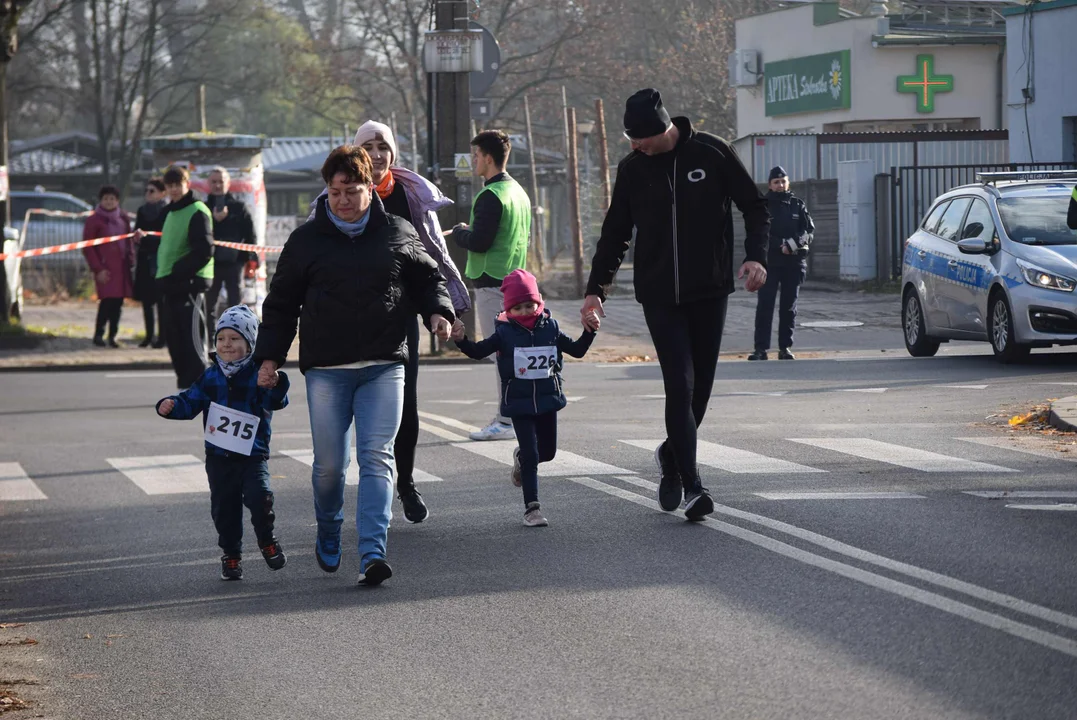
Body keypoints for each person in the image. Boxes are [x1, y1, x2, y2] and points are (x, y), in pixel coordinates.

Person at [253, 145, 454, 587]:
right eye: (335, 190)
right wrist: (268, 358)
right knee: (328, 466)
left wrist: (438, 312)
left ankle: (372, 552)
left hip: (385, 364)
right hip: (327, 368)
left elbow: (428, 279)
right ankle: (328, 526)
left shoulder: (396, 230)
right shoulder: (307, 240)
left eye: (353, 189)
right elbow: (282, 304)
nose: (343, 199)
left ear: (370, 188)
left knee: (377, 458)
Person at [581, 88, 770, 521]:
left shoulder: (712, 152)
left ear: (662, 129)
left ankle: (670, 455)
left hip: (710, 289)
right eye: (628, 137)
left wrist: (756, 255)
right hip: (659, 295)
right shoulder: (631, 169)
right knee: (679, 385)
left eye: (639, 137)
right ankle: (694, 486)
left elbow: (755, 206)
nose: (634, 145)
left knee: (699, 393)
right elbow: (615, 235)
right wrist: (596, 289)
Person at [316, 120, 471, 524]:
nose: (378, 154)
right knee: (346, 407)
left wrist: (442, 309)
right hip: (347, 316)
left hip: (401, 311)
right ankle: (349, 482)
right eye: (368, 146)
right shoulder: (332, 201)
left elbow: (430, 257)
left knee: (406, 403)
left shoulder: (411, 194)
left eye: (383, 146)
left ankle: (404, 482)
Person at [453, 270, 599, 526]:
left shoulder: (551, 328)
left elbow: (576, 350)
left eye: (529, 305)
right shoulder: (504, 334)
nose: (524, 311)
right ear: (508, 309)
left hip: (547, 401)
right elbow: (478, 351)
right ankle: (532, 509)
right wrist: (461, 340)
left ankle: (520, 458)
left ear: (539, 302)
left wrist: (589, 331)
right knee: (532, 455)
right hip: (519, 404)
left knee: (548, 452)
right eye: (518, 307)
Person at [156, 305, 290, 581]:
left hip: (252, 456)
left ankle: (266, 539)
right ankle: (231, 555)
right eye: (221, 339)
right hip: (218, 458)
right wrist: (169, 405)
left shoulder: (257, 374)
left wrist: (276, 384)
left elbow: (276, 401)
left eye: (234, 339)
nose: (226, 345)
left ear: (250, 342)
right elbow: (190, 401)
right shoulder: (211, 376)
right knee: (224, 510)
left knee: (260, 499)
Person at [450, 129, 532, 442]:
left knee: (501, 355)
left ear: (487, 157)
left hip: (492, 284)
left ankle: (505, 419)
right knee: (515, 354)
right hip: (517, 282)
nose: (473, 162)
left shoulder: (489, 195)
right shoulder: (518, 192)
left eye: (474, 156)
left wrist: (459, 233)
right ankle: (519, 414)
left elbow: (480, 242)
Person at [157, 165, 215, 389]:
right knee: (176, 340)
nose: (173, 189)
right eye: (169, 186)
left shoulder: (197, 210)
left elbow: (204, 250)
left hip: (189, 284)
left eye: (177, 185)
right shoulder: (171, 211)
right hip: (171, 284)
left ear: (187, 184)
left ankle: (201, 386)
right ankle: (185, 387)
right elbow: (171, 244)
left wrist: (178, 270)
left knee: (194, 341)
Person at [748, 166, 814, 361]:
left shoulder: (797, 204)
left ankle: (785, 348)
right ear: (770, 184)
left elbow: (808, 231)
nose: (780, 184)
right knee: (765, 306)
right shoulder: (764, 205)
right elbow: (761, 233)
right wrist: (780, 245)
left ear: (788, 183)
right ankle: (761, 349)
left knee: (789, 307)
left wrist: (793, 245)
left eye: (783, 181)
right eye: (776, 182)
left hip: (794, 263)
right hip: (770, 264)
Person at [205, 167, 258, 334]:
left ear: (228, 183)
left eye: (221, 181)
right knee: (209, 304)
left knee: (235, 303)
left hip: (234, 263)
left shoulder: (238, 207)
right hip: (210, 262)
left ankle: (236, 335)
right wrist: (214, 220)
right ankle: (211, 338)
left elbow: (250, 235)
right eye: (214, 181)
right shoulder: (203, 208)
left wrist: (249, 259)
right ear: (208, 184)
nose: (218, 185)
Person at [83, 185, 134, 348]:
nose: (109, 202)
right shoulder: (94, 220)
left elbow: (129, 241)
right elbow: (88, 247)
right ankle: (98, 335)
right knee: (106, 303)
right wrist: (98, 269)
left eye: (112, 198)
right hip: (105, 269)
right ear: (101, 200)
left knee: (118, 304)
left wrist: (132, 260)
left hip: (122, 269)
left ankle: (113, 336)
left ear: (117, 201)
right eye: (106, 198)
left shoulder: (123, 218)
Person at [133, 178, 168, 348]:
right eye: (146, 191)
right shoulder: (141, 211)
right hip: (145, 260)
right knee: (147, 302)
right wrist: (138, 236)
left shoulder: (167, 211)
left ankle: (163, 337)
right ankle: (148, 335)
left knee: (162, 302)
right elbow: (137, 234)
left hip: (161, 260)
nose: (148, 194)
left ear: (162, 193)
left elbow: (166, 237)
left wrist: (150, 240)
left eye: (152, 191)